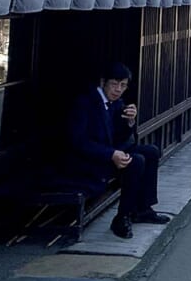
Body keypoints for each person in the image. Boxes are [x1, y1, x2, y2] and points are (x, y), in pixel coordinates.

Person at [62, 62, 170, 239]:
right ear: (103, 82)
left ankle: (142, 208)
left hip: (108, 152)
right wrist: (110, 154)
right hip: (87, 159)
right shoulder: (85, 103)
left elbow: (119, 137)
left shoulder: (116, 102)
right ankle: (122, 217)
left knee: (151, 151)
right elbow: (78, 141)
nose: (118, 89)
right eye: (114, 84)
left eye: (123, 85)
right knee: (136, 161)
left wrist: (129, 121)